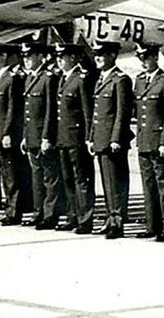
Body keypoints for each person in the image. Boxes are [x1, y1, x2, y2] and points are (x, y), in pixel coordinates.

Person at [86, 41, 134, 239]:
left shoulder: (120, 79)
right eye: (96, 54)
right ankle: (110, 217)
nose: (97, 58)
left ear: (112, 56)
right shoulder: (102, 78)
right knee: (107, 182)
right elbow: (97, 114)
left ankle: (118, 221)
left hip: (112, 141)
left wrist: (115, 139)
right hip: (100, 138)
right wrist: (90, 138)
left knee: (115, 182)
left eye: (101, 54)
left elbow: (122, 113)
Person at [132, 42, 164, 241]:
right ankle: (152, 225)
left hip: (159, 142)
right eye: (140, 59)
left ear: (154, 58)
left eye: (146, 58)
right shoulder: (140, 80)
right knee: (148, 186)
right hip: (144, 141)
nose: (143, 63)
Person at [20, 42, 64, 230]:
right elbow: (28, 113)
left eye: (30, 57)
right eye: (25, 57)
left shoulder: (48, 78)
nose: (26, 60)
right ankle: (38, 213)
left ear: (40, 57)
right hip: (31, 136)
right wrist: (24, 136)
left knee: (49, 178)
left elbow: (50, 111)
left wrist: (47, 136)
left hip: (43, 136)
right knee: (36, 177)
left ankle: (50, 215)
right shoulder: (30, 79)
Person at [0, 43, 30, 226]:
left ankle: (14, 211)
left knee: (12, 175)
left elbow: (13, 109)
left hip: (8, 134)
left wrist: (6, 133)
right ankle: (10, 209)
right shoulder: (1, 77)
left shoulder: (12, 78)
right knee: (6, 174)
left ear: (3, 56)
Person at [54, 43, 95, 234]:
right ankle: (73, 216)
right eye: (58, 57)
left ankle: (85, 220)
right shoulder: (64, 78)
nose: (59, 60)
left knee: (82, 179)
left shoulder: (82, 79)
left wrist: (89, 137)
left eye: (63, 57)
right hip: (63, 137)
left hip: (77, 137)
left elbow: (87, 112)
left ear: (73, 58)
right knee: (68, 179)